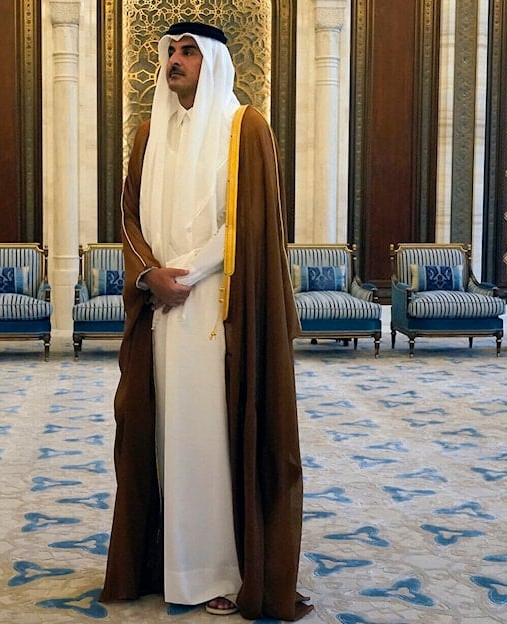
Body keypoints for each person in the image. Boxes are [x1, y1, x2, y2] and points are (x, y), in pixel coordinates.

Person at [100, 21, 311, 620]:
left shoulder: (245, 129)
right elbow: (128, 217)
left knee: (210, 438)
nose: (176, 60)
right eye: (171, 51)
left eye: (189, 51)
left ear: (213, 62)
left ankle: (218, 568)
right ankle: (168, 565)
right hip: (159, 311)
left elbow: (250, 221)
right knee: (162, 438)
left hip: (218, 307)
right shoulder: (148, 133)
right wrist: (148, 276)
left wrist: (182, 274)